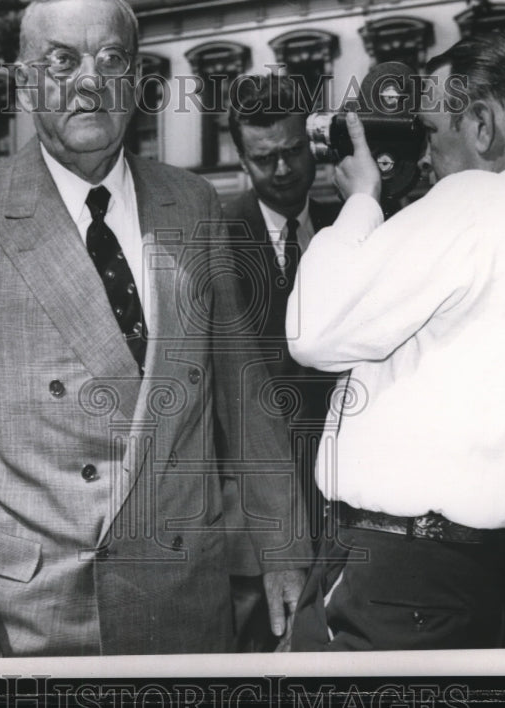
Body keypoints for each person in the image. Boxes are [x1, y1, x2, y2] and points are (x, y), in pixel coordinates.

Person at [0, 0, 310, 659]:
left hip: (186, 604)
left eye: (111, 60)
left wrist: (282, 544)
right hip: (37, 617)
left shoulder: (193, 204)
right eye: (61, 61)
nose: (90, 82)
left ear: (137, 80)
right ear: (23, 84)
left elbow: (244, 392)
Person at [285, 33, 505, 651]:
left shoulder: (471, 204)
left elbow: (310, 331)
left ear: (482, 125)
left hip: (394, 568)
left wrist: (358, 203)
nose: (427, 155)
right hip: (482, 568)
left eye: (433, 130)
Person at [221, 74, 340, 650]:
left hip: (345, 497)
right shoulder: (213, 237)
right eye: (265, 159)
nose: (285, 170)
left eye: (293, 152)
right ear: (242, 160)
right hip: (253, 515)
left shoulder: (353, 226)